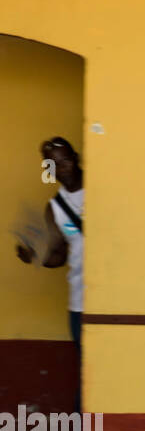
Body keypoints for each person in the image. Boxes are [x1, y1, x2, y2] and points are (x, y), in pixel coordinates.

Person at [15, 137, 85, 352]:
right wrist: (36, 257)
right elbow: (59, 256)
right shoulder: (55, 209)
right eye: (51, 164)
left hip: (117, 295)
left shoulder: (104, 186)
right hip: (80, 300)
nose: (60, 168)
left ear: (76, 158)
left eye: (64, 161)